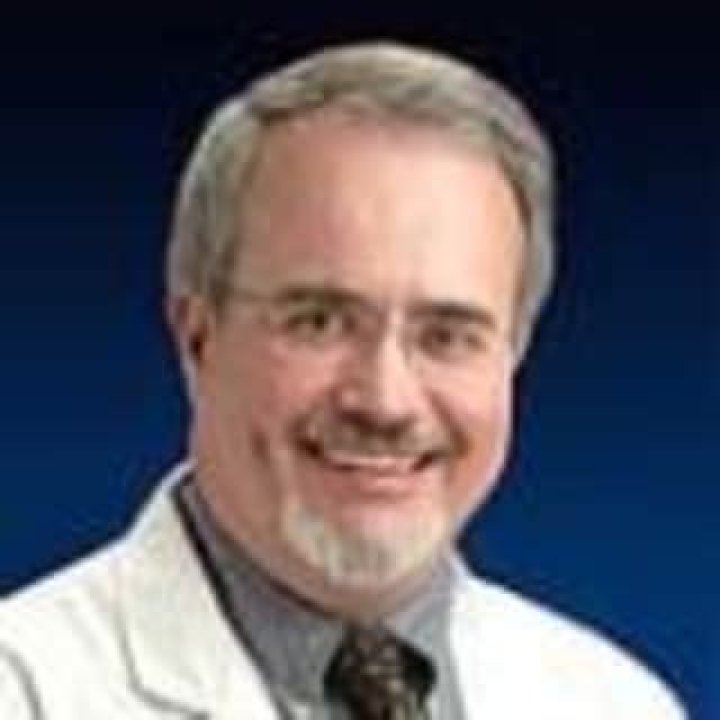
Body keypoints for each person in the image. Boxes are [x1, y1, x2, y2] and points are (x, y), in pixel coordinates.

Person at [0, 41, 685, 718]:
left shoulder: (615, 701)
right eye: (319, 322)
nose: (386, 401)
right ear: (197, 337)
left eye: (447, 335)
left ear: (514, 353)